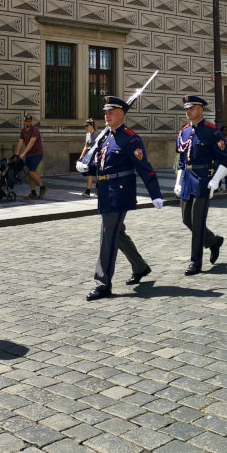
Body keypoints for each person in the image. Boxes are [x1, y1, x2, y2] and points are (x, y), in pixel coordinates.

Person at [77, 96, 164, 301]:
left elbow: (145, 168)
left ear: (121, 114)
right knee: (117, 233)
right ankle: (140, 266)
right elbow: (100, 163)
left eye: (111, 112)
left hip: (120, 192)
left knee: (108, 234)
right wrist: (85, 168)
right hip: (105, 190)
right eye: (105, 112)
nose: (106, 115)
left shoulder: (130, 138)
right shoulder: (105, 136)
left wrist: (156, 194)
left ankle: (103, 283)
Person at [174, 95, 227, 275]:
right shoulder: (184, 131)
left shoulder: (212, 131)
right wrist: (178, 181)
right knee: (186, 219)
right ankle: (213, 241)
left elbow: (226, 159)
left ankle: (195, 262)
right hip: (187, 180)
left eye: (191, 108)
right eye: (186, 108)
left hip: (203, 180)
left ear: (200, 109)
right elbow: (181, 160)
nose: (188, 111)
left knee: (197, 222)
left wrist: (215, 180)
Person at [15, 114, 46, 199]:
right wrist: (17, 154)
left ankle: (43, 187)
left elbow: (31, 142)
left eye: (30, 121)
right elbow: (21, 142)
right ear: (24, 121)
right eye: (27, 121)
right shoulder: (23, 130)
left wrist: (23, 153)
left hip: (37, 153)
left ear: (31, 121)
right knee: (28, 173)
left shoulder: (35, 129)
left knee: (30, 171)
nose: (28, 122)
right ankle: (33, 192)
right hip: (29, 154)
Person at [80, 119, 97, 197]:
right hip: (89, 155)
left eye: (87, 126)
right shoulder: (87, 135)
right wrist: (82, 156)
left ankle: (99, 190)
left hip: (96, 155)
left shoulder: (97, 134)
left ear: (92, 125)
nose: (85, 127)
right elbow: (86, 146)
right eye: (85, 126)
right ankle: (88, 190)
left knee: (97, 173)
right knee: (88, 172)